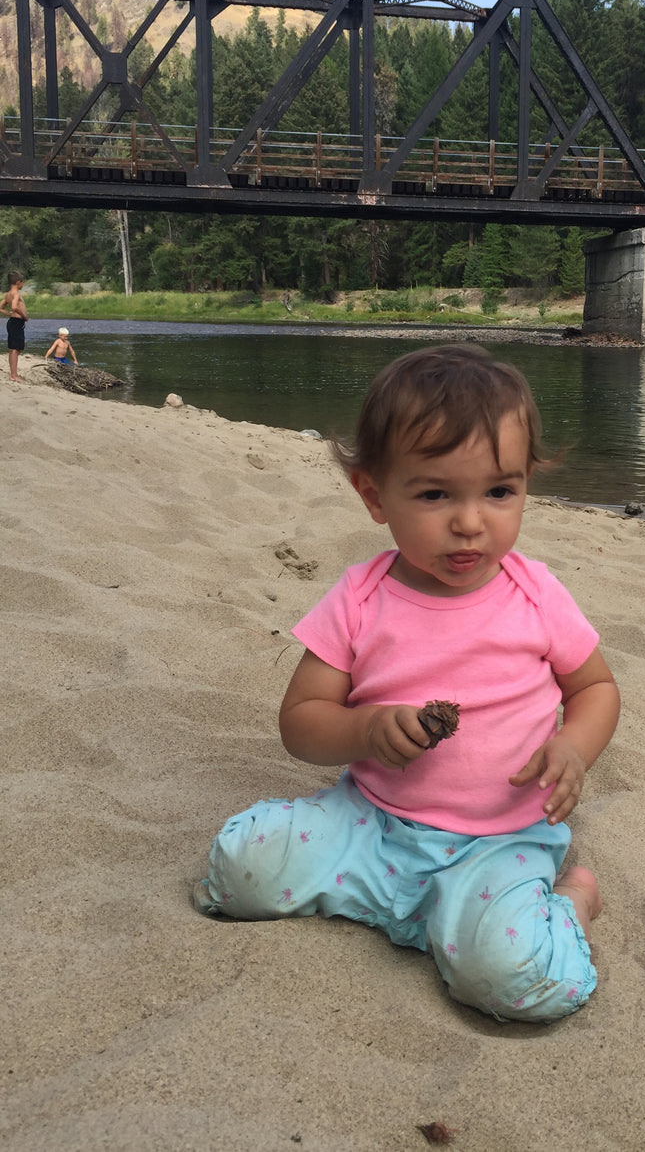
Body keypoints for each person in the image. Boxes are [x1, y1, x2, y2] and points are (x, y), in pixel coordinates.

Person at [195, 344, 621, 1023]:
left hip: (500, 839)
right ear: (374, 494)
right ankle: (426, 912)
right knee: (237, 869)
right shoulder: (361, 598)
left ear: (526, 484)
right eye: (434, 494)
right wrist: (364, 728)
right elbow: (301, 719)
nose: (470, 521)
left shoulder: (535, 595)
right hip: (372, 823)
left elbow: (596, 689)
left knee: (516, 981)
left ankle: (570, 899)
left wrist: (573, 748)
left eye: (500, 491)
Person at [0, 270, 28, 382]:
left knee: (13, 349)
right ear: (18, 282)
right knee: (16, 349)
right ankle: (14, 375)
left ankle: (13, 374)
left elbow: (1, 307)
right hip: (17, 322)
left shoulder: (8, 294)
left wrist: (10, 314)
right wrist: (23, 315)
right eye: (22, 282)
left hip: (12, 321)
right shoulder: (16, 294)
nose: (23, 284)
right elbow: (15, 306)